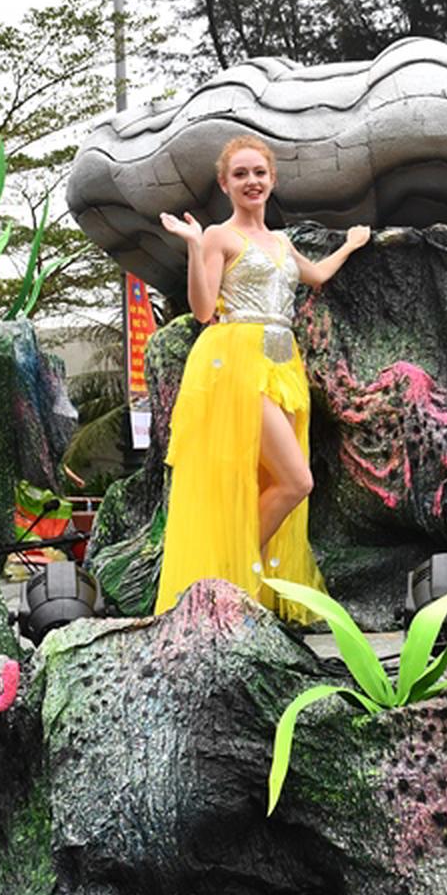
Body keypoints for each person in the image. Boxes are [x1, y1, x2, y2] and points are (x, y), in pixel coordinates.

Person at [154, 135, 370, 619]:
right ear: (224, 184)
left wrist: (351, 245)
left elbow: (316, 277)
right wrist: (194, 246)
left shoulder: (281, 242)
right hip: (236, 362)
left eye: (259, 173)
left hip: (281, 362)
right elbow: (203, 309)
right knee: (296, 481)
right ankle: (227, 581)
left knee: (269, 480)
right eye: (241, 174)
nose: (251, 181)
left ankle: (235, 587)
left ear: (272, 179)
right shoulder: (219, 236)